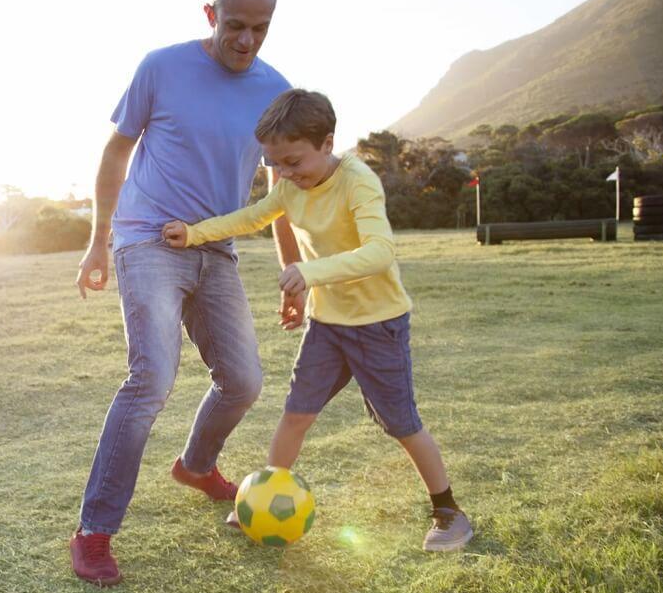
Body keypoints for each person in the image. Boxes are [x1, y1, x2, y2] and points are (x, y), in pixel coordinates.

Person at [162, 89, 474, 552]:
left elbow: (380, 251)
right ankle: (264, 503)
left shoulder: (357, 181)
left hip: (378, 325)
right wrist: (193, 234)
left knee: (401, 424)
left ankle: (450, 513)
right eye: (276, 165)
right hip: (327, 326)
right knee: (295, 416)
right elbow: (252, 217)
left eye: (293, 162)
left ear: (327, 143)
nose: (285, 175)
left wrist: (309, 273)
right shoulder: (290, 186)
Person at [71, 0, 298, 586]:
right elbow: (116, 151)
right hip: (146, 238)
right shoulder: (160, 67)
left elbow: (280, 187)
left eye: (261, 27)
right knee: (152, 378)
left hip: (215, 248)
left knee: (245, 380)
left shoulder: (276, 93)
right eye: (235, 25)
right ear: (210, 16)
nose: (246, 40)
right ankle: (94, 533)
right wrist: (97, 244)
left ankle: (197, 465)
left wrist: (293, 269)